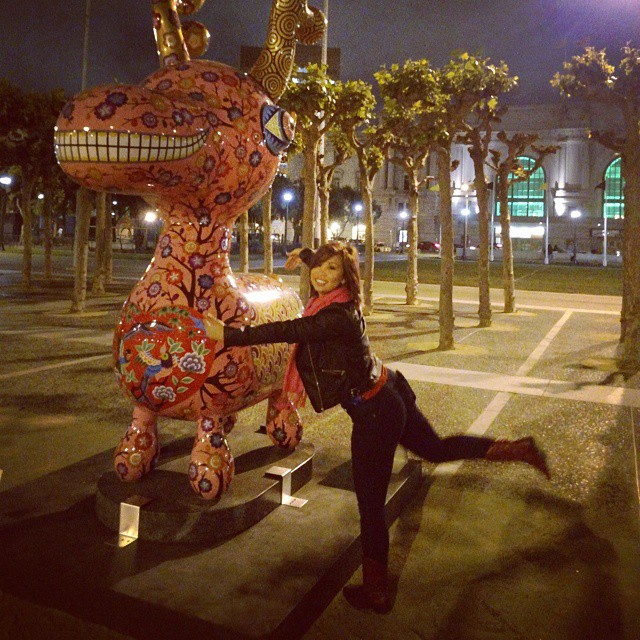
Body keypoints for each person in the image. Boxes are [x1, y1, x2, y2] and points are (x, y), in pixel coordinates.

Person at [203, 240, 549, 614]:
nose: (320, 274)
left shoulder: (335, 316)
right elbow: (316, 288)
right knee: (434, 449)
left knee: (371, 506)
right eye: (318, 266)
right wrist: (307, 258)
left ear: (346, 276)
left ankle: (376, 592)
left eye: (331, 269)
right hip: (390, 390)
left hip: (374, 412)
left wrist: (231, 335)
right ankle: (516, 449)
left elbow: (291, 329)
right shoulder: (342, 300)